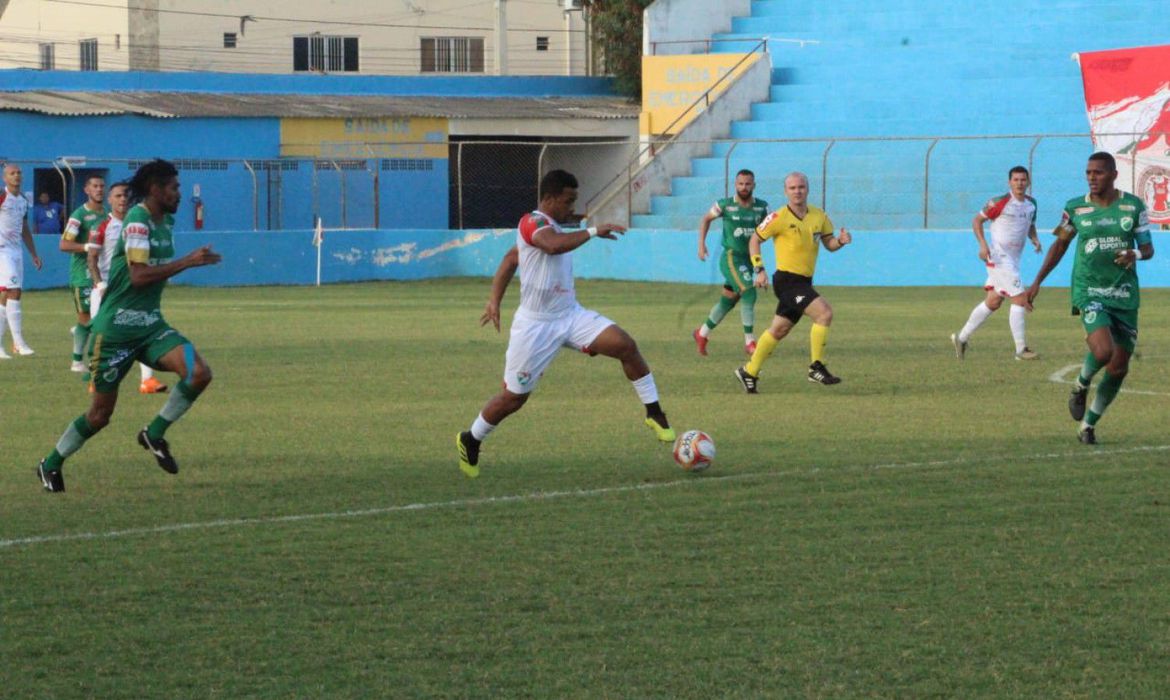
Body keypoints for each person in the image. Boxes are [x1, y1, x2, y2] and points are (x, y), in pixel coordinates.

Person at [455, 169, 674, 478]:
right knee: (514, 398)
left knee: (625, 345)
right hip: (535, 326)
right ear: (549, 197)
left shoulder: (554, 226)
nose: (573, 207)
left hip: (570, 316)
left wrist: (494, 300)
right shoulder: (532, 223)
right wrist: (594, 231)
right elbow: (552, 246)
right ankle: (471, 438)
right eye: (568, 200)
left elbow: (511, 260)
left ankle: (654, 412)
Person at [37, 159, 222, 493]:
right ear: (155, 189)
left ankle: (153, 433)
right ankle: (50, 463)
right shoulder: (137, 222)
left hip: (151, 326)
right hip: (115, 331)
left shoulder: (164, 221)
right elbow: (137, 277)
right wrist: (188, 262)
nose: (179, 193)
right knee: (99, 416)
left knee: (199, 373)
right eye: (174, 187)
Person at [1026, 151, 1154, 445]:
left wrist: (1133, 253)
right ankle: (1080, 385)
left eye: (1097, 172)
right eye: (1088, 173)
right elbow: (1059, 245)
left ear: (1113, 174)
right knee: (1102, 351)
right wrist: (1036, 282)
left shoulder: (1133, 207)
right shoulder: (1074, 209)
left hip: (1124, 293)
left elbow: (1148, 249)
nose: (1091, 178)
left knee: (1119, 367)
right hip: (1089, 289)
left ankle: (1087, 425)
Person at [734, 171, 851, 393]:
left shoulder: (820, 216)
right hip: (787, 281)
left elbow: (829, 244)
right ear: (786, 191)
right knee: (824, 313)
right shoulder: (778, 218)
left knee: (779, 330)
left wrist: (841, 242)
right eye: (792, 188)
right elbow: (755, 240)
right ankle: (816, 367)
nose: (797, 191)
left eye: (801, 187)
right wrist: (759, 268)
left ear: (807, 189)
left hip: (804, 282)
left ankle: (749, 371)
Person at [950, 166, 1042, 360]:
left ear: (1028, 182)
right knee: (1019, 298)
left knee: (994, 301)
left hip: (1014, 259)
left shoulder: (1031, 204)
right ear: (1009, 182)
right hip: (999, 257)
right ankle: (1020, 350)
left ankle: (962, 338)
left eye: (1023, 180)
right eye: (1016, 180)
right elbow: (977, 221)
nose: (1019, 183)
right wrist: (983, 245)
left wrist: (1034, 239)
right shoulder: (1000, 202)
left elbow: (1030, 224)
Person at [85, 181, 168, 394]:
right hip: (107, 291)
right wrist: (100, 283)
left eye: (126, 196)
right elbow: (92, 258)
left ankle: (147, 381)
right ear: (110, 200)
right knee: (103, 336)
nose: (122, 200)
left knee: (143, 329)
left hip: (132, 289)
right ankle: (96, 378)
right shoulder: (101, 226)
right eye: (118, 196)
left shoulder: (141, 223)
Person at [693, 169, 769, 356]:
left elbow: (767, 230)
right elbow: (705, 219)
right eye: (740, 184)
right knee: (749, 292)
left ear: (754, 185)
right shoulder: (724, 205)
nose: (744, 187)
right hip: (731, 258)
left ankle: (702, 333)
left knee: (728, 301)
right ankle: (750, 342)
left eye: (748, 184)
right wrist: (701, 245)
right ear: (735, 185)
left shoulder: (761, 207)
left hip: (748, 260)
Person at [60, 175, 106, 372]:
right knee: (86, 318)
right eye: (94, 186)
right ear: (86, 190)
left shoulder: (108, 214)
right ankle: (77, 362)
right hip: (83, 275)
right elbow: (64, 244)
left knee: (103, 317)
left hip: (103, 274)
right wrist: (88, 246)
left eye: (102, 186)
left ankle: (81, 334)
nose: (99, 189)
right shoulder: (79, 215)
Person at [0, 163, 43, 358]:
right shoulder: (2, 196)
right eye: (12, 173)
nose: (16, 176)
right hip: (2, 251)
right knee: (14, 291)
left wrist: (33, 253)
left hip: (16, 251)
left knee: (7, 296)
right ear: (4, 178)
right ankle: (19, 342)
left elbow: (24, 228)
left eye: (18, 173)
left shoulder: (23, 200)